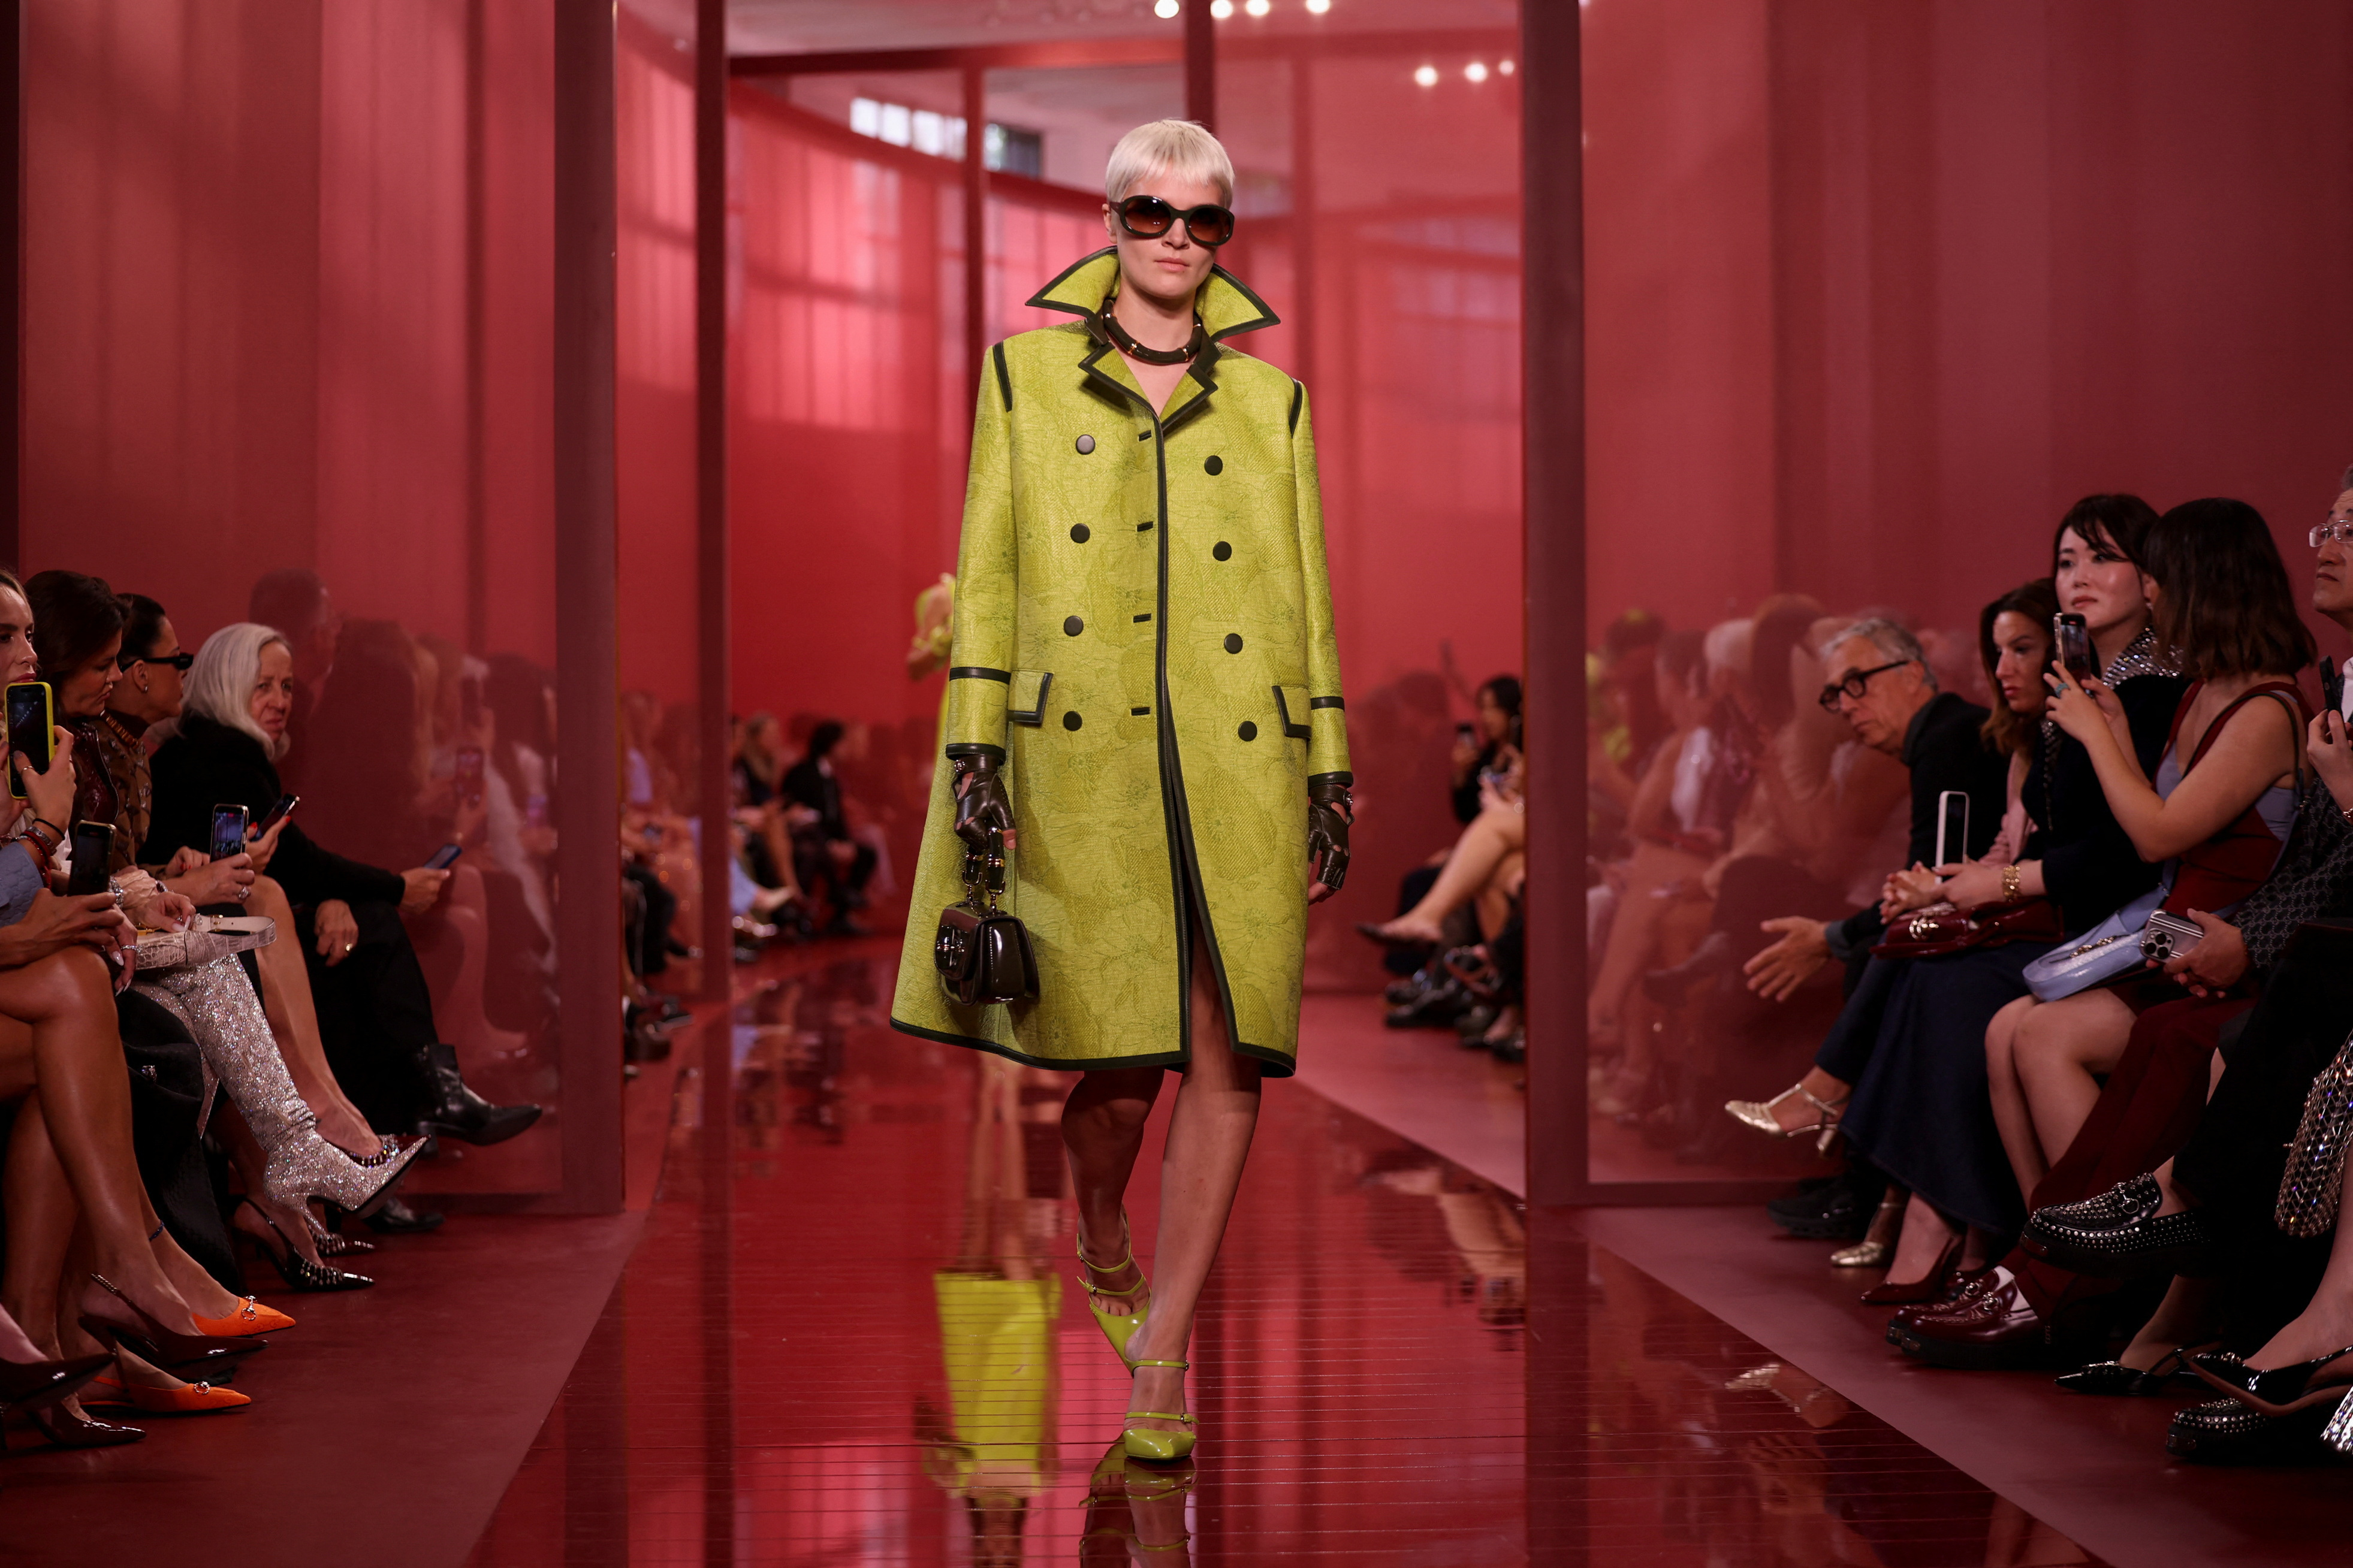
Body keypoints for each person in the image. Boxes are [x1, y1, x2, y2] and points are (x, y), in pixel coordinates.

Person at [889, 119, 1351, 1466]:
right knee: (1114, 1063)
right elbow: (987, 570)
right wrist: (976, 749)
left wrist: (1327, 761)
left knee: (1226, 1043)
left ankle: (1165, 1355)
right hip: (1081, 754)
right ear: (1108, 221)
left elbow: (1307, 592)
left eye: (1203, 219)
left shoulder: (1272, 402)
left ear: (1224, 237)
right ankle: (1101, 1228)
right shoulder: (1024, 376)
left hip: (1238, 751)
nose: (1174, 239)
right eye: (1150, 212)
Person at [1813, 497, 2187, 1300]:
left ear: (2153, 577)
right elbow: (2058, 838)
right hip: (2085, 919)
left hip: (2136, 925)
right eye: (2066, 561)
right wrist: (1974, 881)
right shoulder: (2079, 689)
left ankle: (2027, 1251)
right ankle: (2027, 1246)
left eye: (2101, 558)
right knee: (1927, 959)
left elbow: (2127, 852)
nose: (2078, 576)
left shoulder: (2155, 690)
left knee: (1952, 984)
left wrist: (2000, 882)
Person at [145, 623, 540, 1159]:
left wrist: (344, 894)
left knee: (366, 926)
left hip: (228, 928)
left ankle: (406, 1115)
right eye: (263, 686)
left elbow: (291, 862)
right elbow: (297, 861)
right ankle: (400, 1115)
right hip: (208, 947)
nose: (281, 701)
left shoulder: (213, 749)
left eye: (287, 687)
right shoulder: (226, 754)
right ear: (225, 683)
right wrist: (397, 887)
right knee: (371, 928)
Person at [783, 720, 877, 935]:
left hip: (828, 840)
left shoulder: (831, 777)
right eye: (844, 743)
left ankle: (841, 913)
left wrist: (845, 842)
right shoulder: (802, 773)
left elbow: (837, 817)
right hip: (808, 839)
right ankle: (826, 903)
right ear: (832, 745)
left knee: (867, 854)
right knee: (814, 854)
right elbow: (799, 814)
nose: (848, 749)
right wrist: (829, 843)